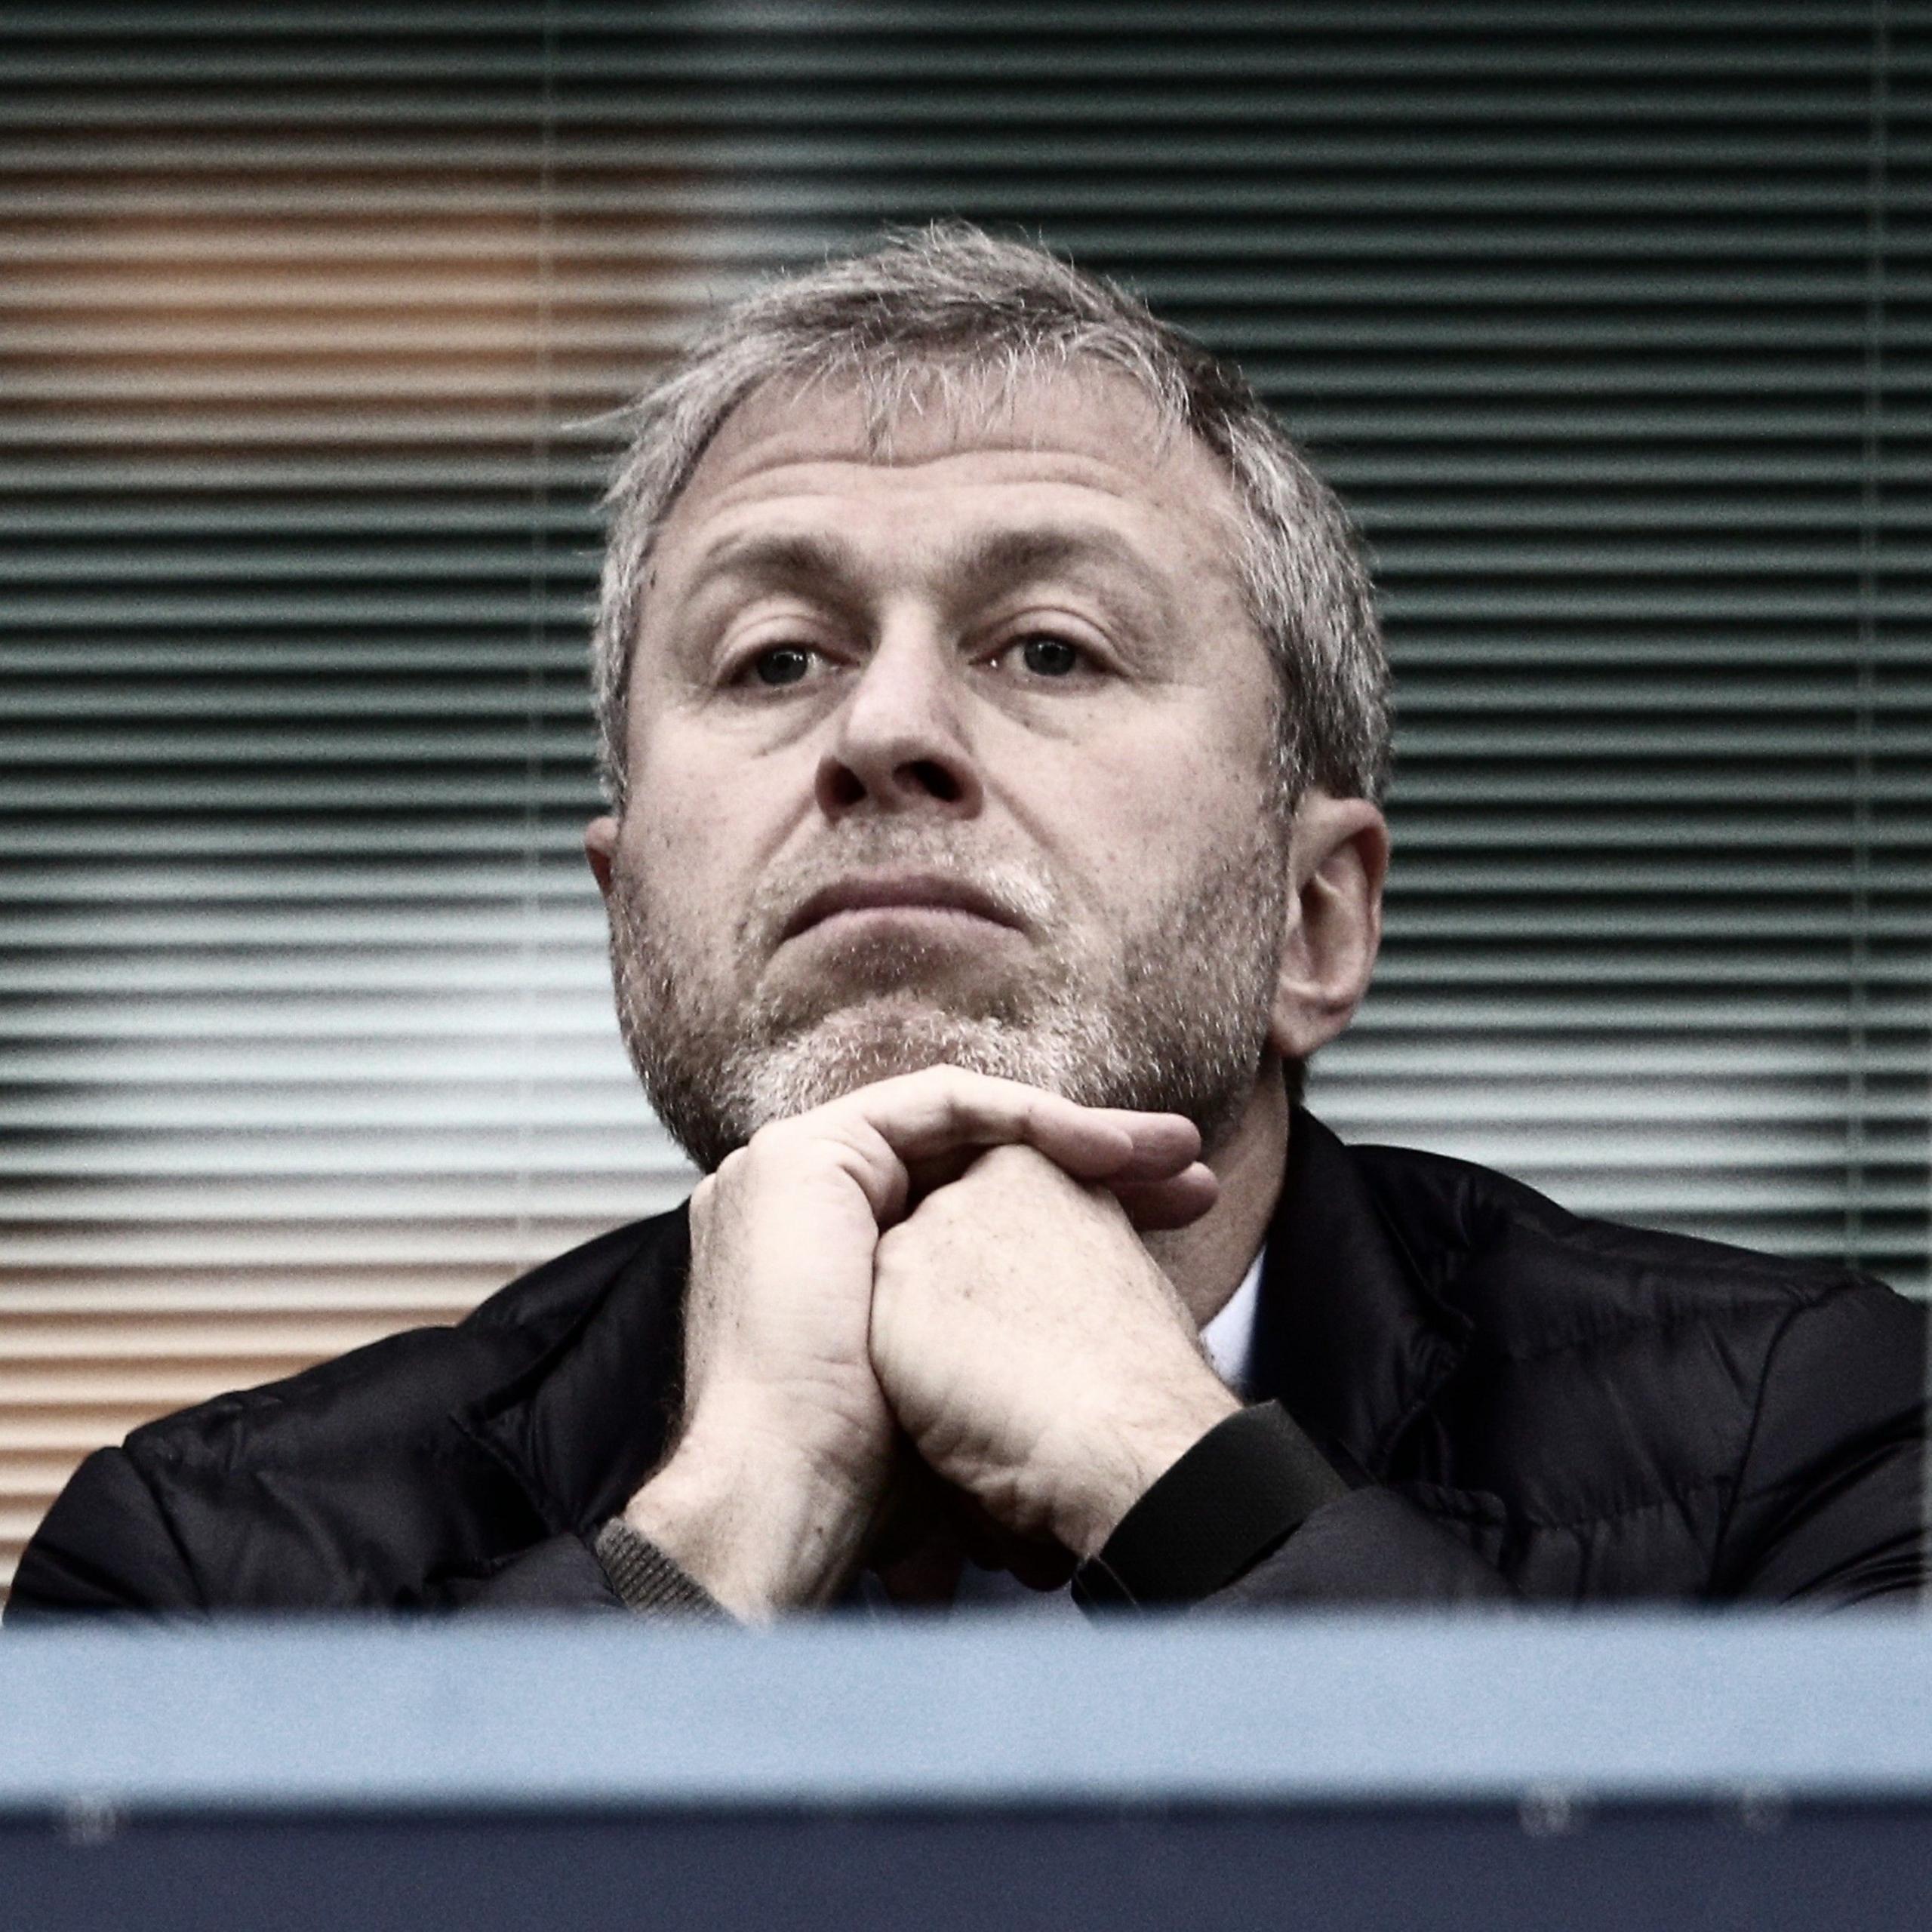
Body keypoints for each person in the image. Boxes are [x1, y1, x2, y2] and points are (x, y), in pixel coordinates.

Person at [10, 225, 1924, 1621]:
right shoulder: (200, 1568)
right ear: (630, 912)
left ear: (1311, 914)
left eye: (1046, 645)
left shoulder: (1815, 1455)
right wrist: (716, 1537)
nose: (887, 732)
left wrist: (1169, 1471)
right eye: (773, 655)